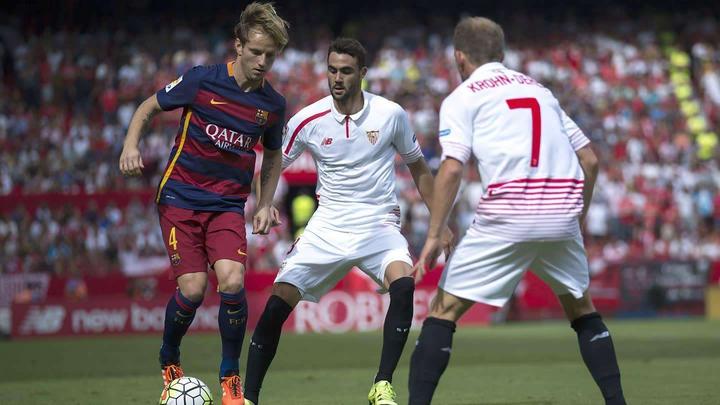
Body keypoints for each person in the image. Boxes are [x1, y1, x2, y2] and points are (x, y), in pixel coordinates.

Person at [408, 17, 626, 405]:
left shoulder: (463, 96)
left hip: (508, 214)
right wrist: (578, 217)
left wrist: (434, 234)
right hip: (561, 212)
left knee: (442, 311)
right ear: (501, 53)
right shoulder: (540, 90)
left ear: (459, 57)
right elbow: (590, 160)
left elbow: (453, 168)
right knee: (582, 310)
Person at [241, 37, 452, 405]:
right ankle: (249, 398)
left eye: (346, 71)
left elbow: (418, 167)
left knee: (404, 285)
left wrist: (441, 221)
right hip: (327, 226)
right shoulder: (308, 119)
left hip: (378, 224)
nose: (337, 78)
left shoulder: (391, 114)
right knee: (277, 304)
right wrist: (264, 202)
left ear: (363, 73)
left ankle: (382, 385)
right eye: (332, 70)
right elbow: (274, 163)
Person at [118, 3, 289, 404]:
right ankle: (169, 358)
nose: (262, 62)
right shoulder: (201, 80)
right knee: (193, 290)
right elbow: (147, 107)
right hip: (180, 197)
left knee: (232, 280)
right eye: (256, 52)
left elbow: (273, 155)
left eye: (270, 56)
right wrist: (130, 145)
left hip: (227, 204)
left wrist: (264, 203)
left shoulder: (272, 105)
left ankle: (230, 379)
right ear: (238, 45)